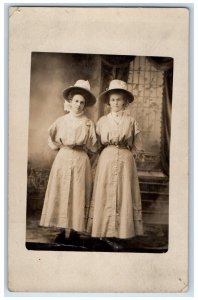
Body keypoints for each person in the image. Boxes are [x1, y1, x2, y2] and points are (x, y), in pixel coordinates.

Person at [87, 79, 144, 250]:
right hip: (107, 157)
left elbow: (137, 144)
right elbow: (94, 144)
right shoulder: (102, 121)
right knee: (105, 191)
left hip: (125, 160)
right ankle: (103, 231)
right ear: (108, 102)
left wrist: (136, 154)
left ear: (125, 101)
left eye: (119, 99)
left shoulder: (131, 121)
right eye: (113, 99)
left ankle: (122, 232)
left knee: (124, 192)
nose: (116, 103)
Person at [40, 80, 97, 243]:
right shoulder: (61, 120)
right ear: (70, 102)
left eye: (82, 102)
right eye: (76, 101)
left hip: (80, 159)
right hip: (63, 157)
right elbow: (50, 137)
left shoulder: (88, 123)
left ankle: (74, 230)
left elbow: (94, 146)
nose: (78, 105)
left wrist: (85, 150)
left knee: (77, 192)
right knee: (62, 190)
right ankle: (60, 228)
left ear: (85, 105)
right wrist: (59, 147)